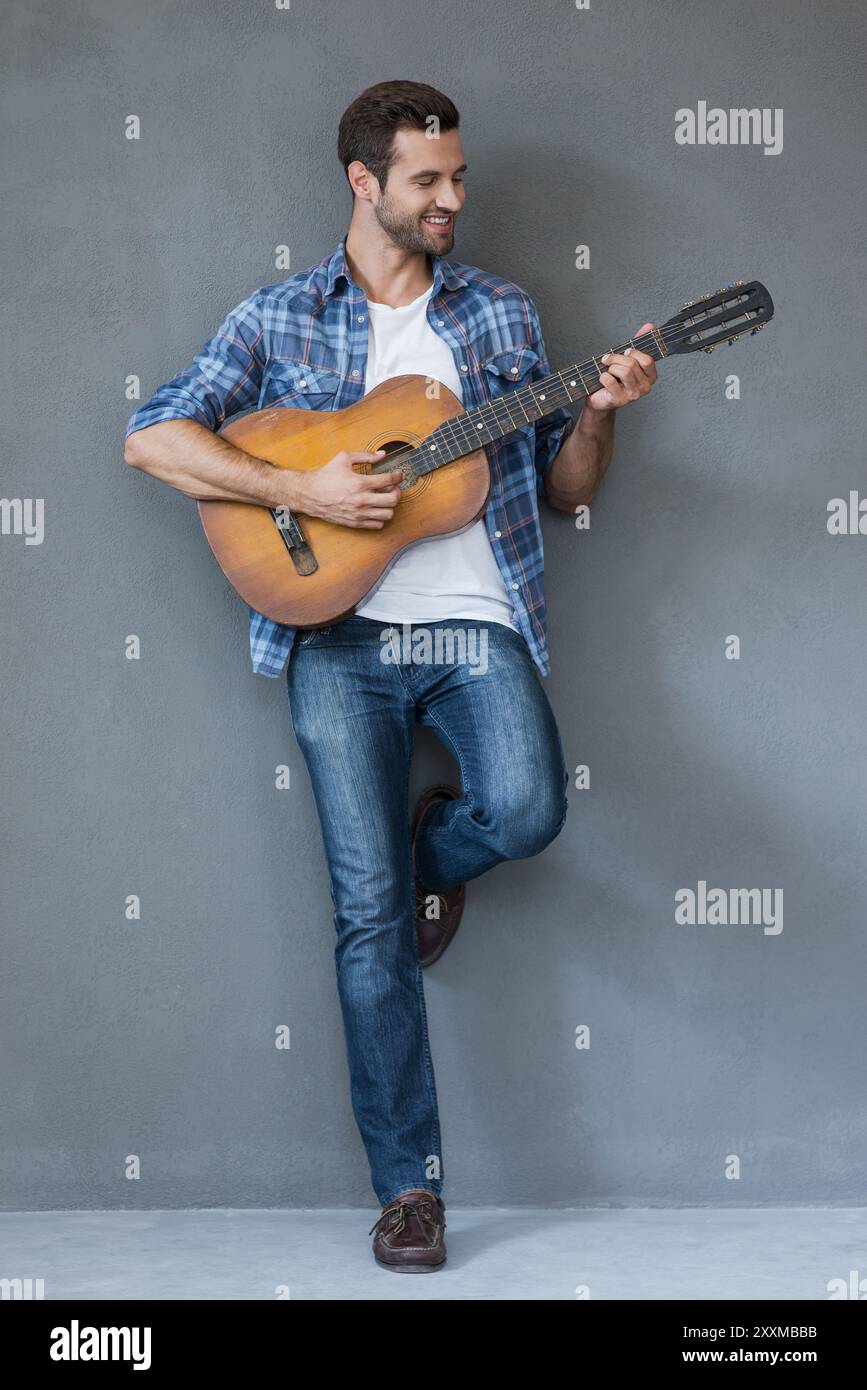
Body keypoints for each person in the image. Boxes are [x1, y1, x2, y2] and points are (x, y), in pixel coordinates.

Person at [124, 79, 657, 1273]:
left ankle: (436, 850)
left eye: (458, 177)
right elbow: (153, 436)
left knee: (527, 809)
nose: (452, 198)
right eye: (429, 180)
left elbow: (568, 496)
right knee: (367, 922)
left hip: (475, 625)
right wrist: (304, 491)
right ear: (365, 183)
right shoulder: (278, 315)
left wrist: (600, 414)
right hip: (338, 638)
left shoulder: (506, 317)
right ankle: (410, 1190)